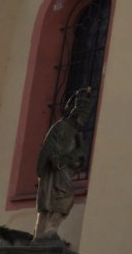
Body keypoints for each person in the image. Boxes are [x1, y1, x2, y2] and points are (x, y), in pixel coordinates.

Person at [34, 89, 95, 239]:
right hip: (54, 173)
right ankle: (44, 233)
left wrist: (79, 157)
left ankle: (50, 230)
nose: (83, 120)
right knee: (51, 201)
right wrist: (68, 156)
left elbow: (78, 162)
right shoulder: (60, 127)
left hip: (65, 172)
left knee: (64, 200)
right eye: (82, 116)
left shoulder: (77, 134)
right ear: (75, 113)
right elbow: (50, 153)